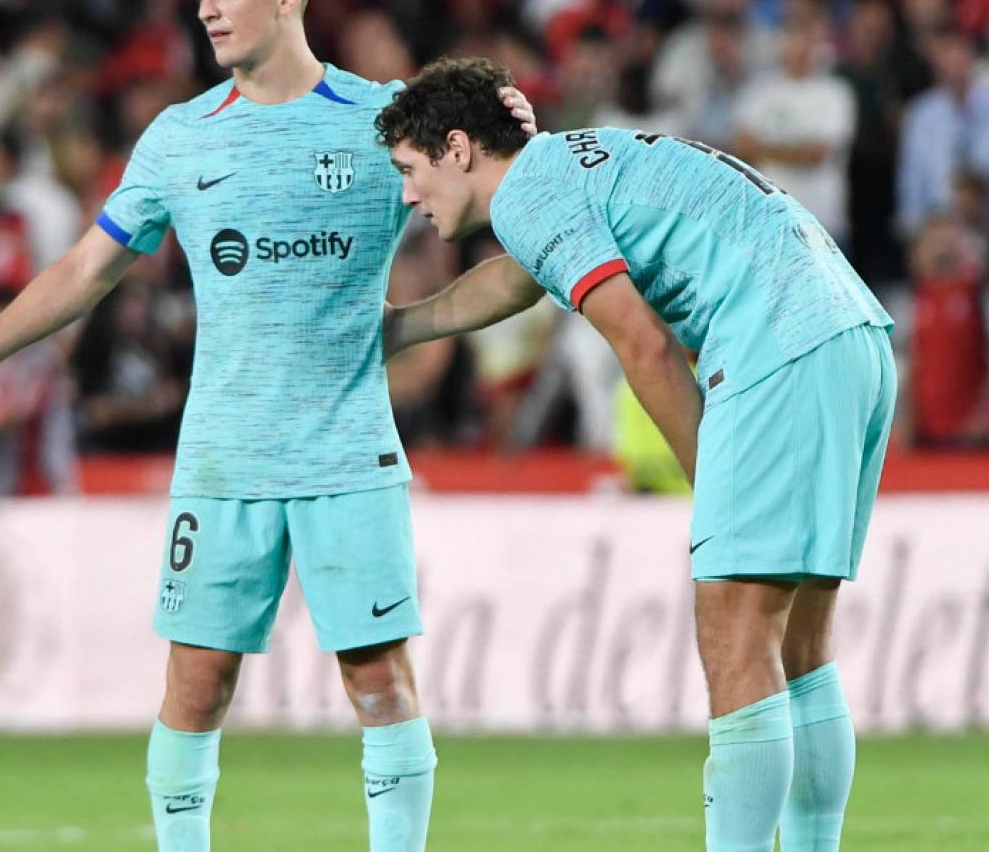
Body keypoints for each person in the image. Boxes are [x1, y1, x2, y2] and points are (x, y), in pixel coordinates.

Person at [0, 0, 533, 852]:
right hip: (222, 459)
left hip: (347, 454)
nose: (206, 8)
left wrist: (512, 161)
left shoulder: (383, 119)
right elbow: (87, 269)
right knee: (196, 686)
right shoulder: (179, 138)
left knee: (377, 679)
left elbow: (510, 209)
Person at [378, 57, 894, 852]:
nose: (408, 196)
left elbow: (644, 345)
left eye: (410, 170)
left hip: (777, 346)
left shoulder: (531, 198)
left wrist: (709, 484)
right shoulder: (564, 169)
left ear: (457, 148)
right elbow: (519, 280)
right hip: (849, 333)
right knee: (800, 647)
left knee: (734, 635)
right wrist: (404, 327)